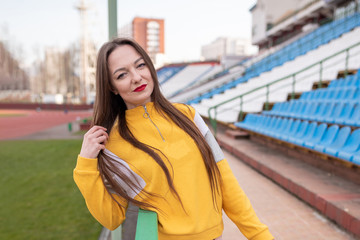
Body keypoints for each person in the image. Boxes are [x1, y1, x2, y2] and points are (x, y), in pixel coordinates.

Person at [73, 37, 274, 240]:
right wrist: (85, 165)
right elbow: (112, 217)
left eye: (140, 65)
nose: (136, 77)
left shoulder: (189, 116)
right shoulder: (114, 145)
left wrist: (260, 235)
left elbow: (225, 181)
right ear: (112, 87)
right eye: (122, 74)